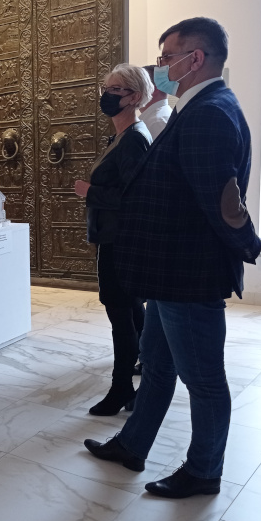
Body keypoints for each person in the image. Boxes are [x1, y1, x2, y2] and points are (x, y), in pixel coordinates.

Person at [84, 18, 261, 498]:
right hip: (170, 273)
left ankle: (204, 470)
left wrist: (248, 242)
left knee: (203, 380)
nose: (161, 66)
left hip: (189, 274)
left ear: (196, 59)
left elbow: (221, 198)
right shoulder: (199, 108)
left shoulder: (210, 112)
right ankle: (133, 444)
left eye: (168, 57)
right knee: (157, 364)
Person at [74, 64, 152, 416]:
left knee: (121, 315)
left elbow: (136, 197)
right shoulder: (122, 136)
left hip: (121, 241)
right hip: (114, 238)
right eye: (105, 88)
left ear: (134, 96)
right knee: (131, 311)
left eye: (116, 89)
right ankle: (144, 379)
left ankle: (121, 387)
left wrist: (90, 191)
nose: (107, 95)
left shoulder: (134, 138)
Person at [139, 64, 172, 140]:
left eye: (139, 85)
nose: (133, 90)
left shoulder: (158, 122)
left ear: (154, 89)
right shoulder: (154, 119)